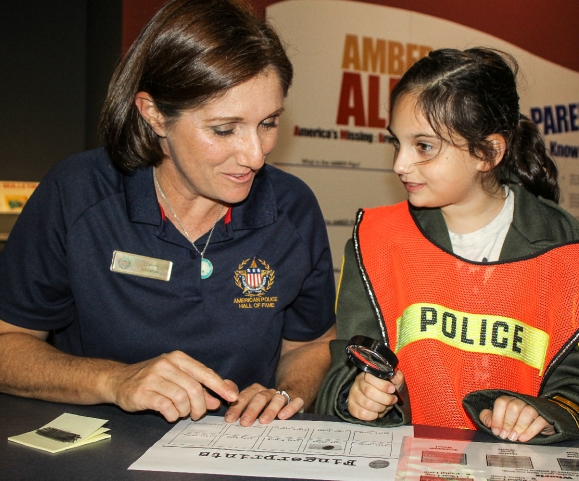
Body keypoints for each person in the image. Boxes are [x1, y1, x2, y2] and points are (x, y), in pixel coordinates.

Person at [0, 0, 336, 426]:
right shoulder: (77, 194)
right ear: (155, 114)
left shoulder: (293, 209)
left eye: (268, 123)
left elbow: (310, 344)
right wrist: (115, 380)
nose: (255, 155)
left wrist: (287, 394)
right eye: (224, 129)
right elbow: (8, 342)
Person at [316, 47, 579, 444]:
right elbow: (346, 363)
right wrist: (356, 395)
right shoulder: (375, 241)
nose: (400, 163)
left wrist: (546, 413)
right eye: (396, 143)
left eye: (424, 146)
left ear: (488, 152)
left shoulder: (564, 252)